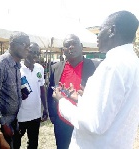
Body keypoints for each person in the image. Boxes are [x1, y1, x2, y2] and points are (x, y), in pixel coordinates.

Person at [53, 10, 139, 149]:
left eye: (100, 31)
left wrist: (62, 102)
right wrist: (81, 100)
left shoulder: (112, 66)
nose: (97, 36)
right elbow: (110, 108)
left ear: (112, 30)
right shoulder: (132, 62)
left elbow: (94, 123)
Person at [47, 34, 100, 149]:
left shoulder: (96, 66)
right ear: (63, 50)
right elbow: (50, 92)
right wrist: (53, 115)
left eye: (74, 44)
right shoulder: (56, 68)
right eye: (67, 45)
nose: (71, 47)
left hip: (85, 122)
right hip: (62, 122)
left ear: (81, 46)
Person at [0, 31, 30, 148]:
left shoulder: (17, 65)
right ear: (13, 44)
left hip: (15, 120)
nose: (28, 49)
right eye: (25, 44)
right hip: (1, 124)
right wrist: (3, 125)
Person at [14, 42, 48, 149]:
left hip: (35, 114)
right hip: (20, 116)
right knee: (16, 144)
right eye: (32, 52)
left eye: (37, 53)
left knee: (33, 144)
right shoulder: (17, 69)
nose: (35, 55)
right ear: (26, 51)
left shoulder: (39, 68)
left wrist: (45, 108)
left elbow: (42, 89)